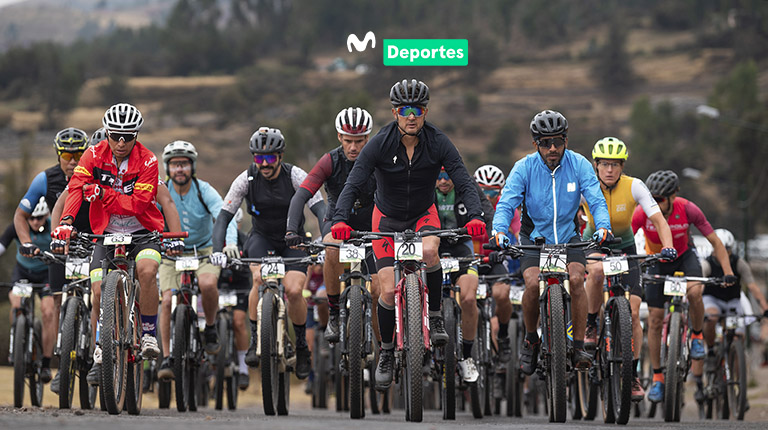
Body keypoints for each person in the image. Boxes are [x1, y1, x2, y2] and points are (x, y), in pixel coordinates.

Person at [330, 79, 487, 391]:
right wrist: (339, 220)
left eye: (417, 110)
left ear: (425, 112)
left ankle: (436, 315)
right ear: (395, 112)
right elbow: (354, 182)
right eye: (404, 110)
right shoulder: (379, 143)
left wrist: (476, 216)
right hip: (385, 220)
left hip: (422, 215)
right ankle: (387, 352)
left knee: (430, 252)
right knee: (386, 292)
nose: (411, 116)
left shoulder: (439, 141)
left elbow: (463, 179)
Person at [52, 103, 185, 385]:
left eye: (128, 136)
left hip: (142, 230)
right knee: (99, 289)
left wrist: (104, 193)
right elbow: (76, 188)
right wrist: (65, 222)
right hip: (106, 232)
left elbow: (137, 204)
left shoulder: (148, 160)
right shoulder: (92, 154)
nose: (121, 142)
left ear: (137, 135)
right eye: (115, 136)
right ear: (107, 134)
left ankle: (148, 332)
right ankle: (102, 347)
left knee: (148, 272)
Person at [491, 109, 613, 376]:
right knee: (533, 284)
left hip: (569, 238)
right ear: (536, 144)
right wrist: (499, 231)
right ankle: (532, 338)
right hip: (535, 240)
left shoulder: (579, 164)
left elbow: (595, 198)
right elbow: (506, 203)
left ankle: (579, 344)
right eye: (545, 143)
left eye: (558, 141)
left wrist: (603, 225)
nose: (553, 148)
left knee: (578, 279)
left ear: (566, 140)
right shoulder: (523, 168)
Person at [210, 126, 326, 379]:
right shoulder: (245, 179)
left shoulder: (295, 175)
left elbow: (320, 208)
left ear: (280, 156)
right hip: (261, 239)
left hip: (293, 240)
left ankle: (302, 348)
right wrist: (217, 249)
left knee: (295, 291)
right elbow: (224, 217)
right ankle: (255, 339)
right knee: (258, 279)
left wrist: (326, 239)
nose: (264, 163)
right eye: (259, 158)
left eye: (270, 157)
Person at [581, 137, 677, 401]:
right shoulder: (585, 185)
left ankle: (631, 374)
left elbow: (658, 219)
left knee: (634, 313)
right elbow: (564, 213)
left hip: (626, 249)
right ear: (596, 165)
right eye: (604, 165)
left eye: (615, 164)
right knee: (597, 272)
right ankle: (591, 323)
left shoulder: (635, 186)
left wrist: (668, 246)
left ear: (622, 166)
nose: (609, 170)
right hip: (594, 245)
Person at [631, 169, 736, 403]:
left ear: (673, 196)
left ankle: (697, 335)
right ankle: (658, 377)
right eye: (652, 198)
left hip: (684, 256)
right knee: (656, 320)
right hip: (657, 261)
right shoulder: (641, 213)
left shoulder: (688, 209)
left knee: (696, 290)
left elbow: (715, 242)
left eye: (660, 199)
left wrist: (728, 272)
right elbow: (628, 240)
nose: (654, 203)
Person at [285, 107, 380, 345]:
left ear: (368, 138)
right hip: (337, 221)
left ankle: (385, 346)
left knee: (379, 292)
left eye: (359, 141)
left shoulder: (379, 161)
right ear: (339, 137)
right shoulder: (329, 161)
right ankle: (335, 313)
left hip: (373, 223)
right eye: (348, 141)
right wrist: (291, 230)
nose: (353, 148)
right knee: (331, 249)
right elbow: (301, 195)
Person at [11, 126, 91, 384]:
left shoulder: (94, 175)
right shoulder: (44, 179)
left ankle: (97, 346)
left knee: (97, 296)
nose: (73, 161)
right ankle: (57, 360)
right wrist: (25, 242)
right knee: (53, 306)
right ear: (58, 155)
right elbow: (19, 216)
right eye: (67, 156)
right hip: (61, 248)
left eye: (78, 155)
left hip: (91, 244)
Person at [155, 140, 239, 379]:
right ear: (167, 168)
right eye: (174, 165)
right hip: (170, 252)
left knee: (208, 284)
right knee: (168, 298)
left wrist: (229, 242)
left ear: (193, 167)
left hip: (203, 250)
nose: (179, 169)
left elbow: (224, 216)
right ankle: (168, 357)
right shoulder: (160, 190)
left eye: (184, 164)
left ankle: (210, 328)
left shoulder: (204, 190)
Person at [435, 167, 494, 382]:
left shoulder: (467, 184)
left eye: (447, 176)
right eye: (438, 176)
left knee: (469, 298)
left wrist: (496, 233)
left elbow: (486, 210)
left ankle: (467, 356)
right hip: (433, 248)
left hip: (462, 247)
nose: (443, 181)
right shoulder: (423, 185)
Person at [699, 228, 768, 402]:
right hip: (712, 299)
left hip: (732, 302)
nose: (724, 253)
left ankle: (739, 381)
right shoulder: (707, 264)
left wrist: (764, 307)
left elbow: (752, 286)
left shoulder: (739, 263)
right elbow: (699, 285)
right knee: (711, 317)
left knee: (738, 336)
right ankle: (712, 350)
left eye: (727, 249)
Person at [473, 164, 520, 364]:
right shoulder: (467, 203)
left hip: (494, 260)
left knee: (502, 294)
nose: (488, 195)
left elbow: (517, 234)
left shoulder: (507, 207)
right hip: (471, 260)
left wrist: (517, 249)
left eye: (493, 191)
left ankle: (503, 334)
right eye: (483, 190)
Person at [214, 208, 253, 389]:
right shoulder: (214, 238)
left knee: (238, 323)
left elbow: (252, 261)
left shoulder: (244, 239)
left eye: (234, 224)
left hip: (240, 285)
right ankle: (212, 365)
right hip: (219, 285)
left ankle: (244, 369)